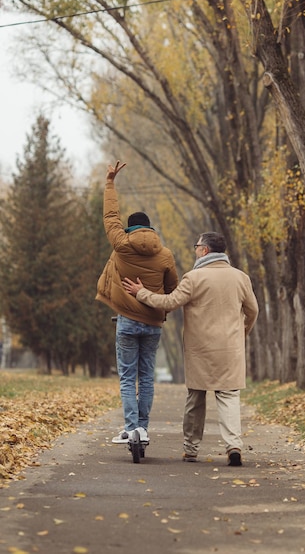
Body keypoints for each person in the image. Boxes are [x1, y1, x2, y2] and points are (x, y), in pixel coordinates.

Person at [122, 231, 259, 466]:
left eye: (196, 246)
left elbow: (169, 303)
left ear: (204, 250)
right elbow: (253, 310)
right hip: (230, 350)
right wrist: (241, 334)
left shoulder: (194, 278)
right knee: (229, 397)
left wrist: (141, 293)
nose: (195, 249)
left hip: (200, 350)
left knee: (196, 398)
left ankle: (191, 450)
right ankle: (233, 446)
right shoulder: (240, 278)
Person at [96, 161, 179, 446]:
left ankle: (131, 428)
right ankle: (142, 429)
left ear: (131, 229)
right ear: (151, 229)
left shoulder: (122, 245)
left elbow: (110, 217)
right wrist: (158, 308)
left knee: (127, 377)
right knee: (146, 378)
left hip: (127, 322)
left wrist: (110, 182)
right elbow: (173, 290)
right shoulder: (165, 254)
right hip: (153, 324)